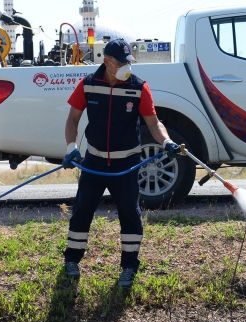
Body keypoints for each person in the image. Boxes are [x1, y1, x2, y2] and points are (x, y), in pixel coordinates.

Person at [62, 38, 182, 287]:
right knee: (82, 210)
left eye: (129, 62)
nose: (128, 67)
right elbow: (72, 119)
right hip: (93, 162)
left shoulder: (139, 87)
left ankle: (129, 266)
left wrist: (166, 142)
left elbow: (153, 123)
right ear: (107, 62)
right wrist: (71, 148)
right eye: (122, 63)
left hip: (126, 165)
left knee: (130, 214)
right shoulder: (88, 85)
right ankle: (72, 260)